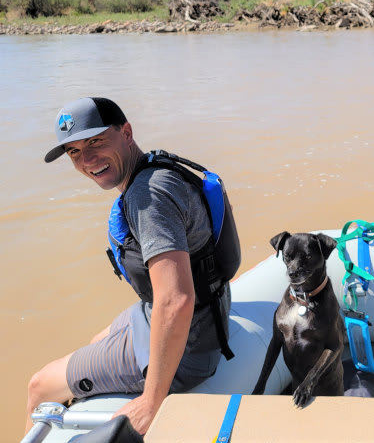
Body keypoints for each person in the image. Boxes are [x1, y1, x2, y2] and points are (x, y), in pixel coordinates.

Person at [26, 97, 233, 435]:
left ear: (126, 132)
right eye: (74, 152)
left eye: (95, 141)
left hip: (191, 349)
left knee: (38, 386)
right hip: (204, 315)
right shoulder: (156, 171)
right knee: (97, 339)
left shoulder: (147, 197)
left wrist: (152, 402)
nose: (86, 159)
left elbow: (176, 300)